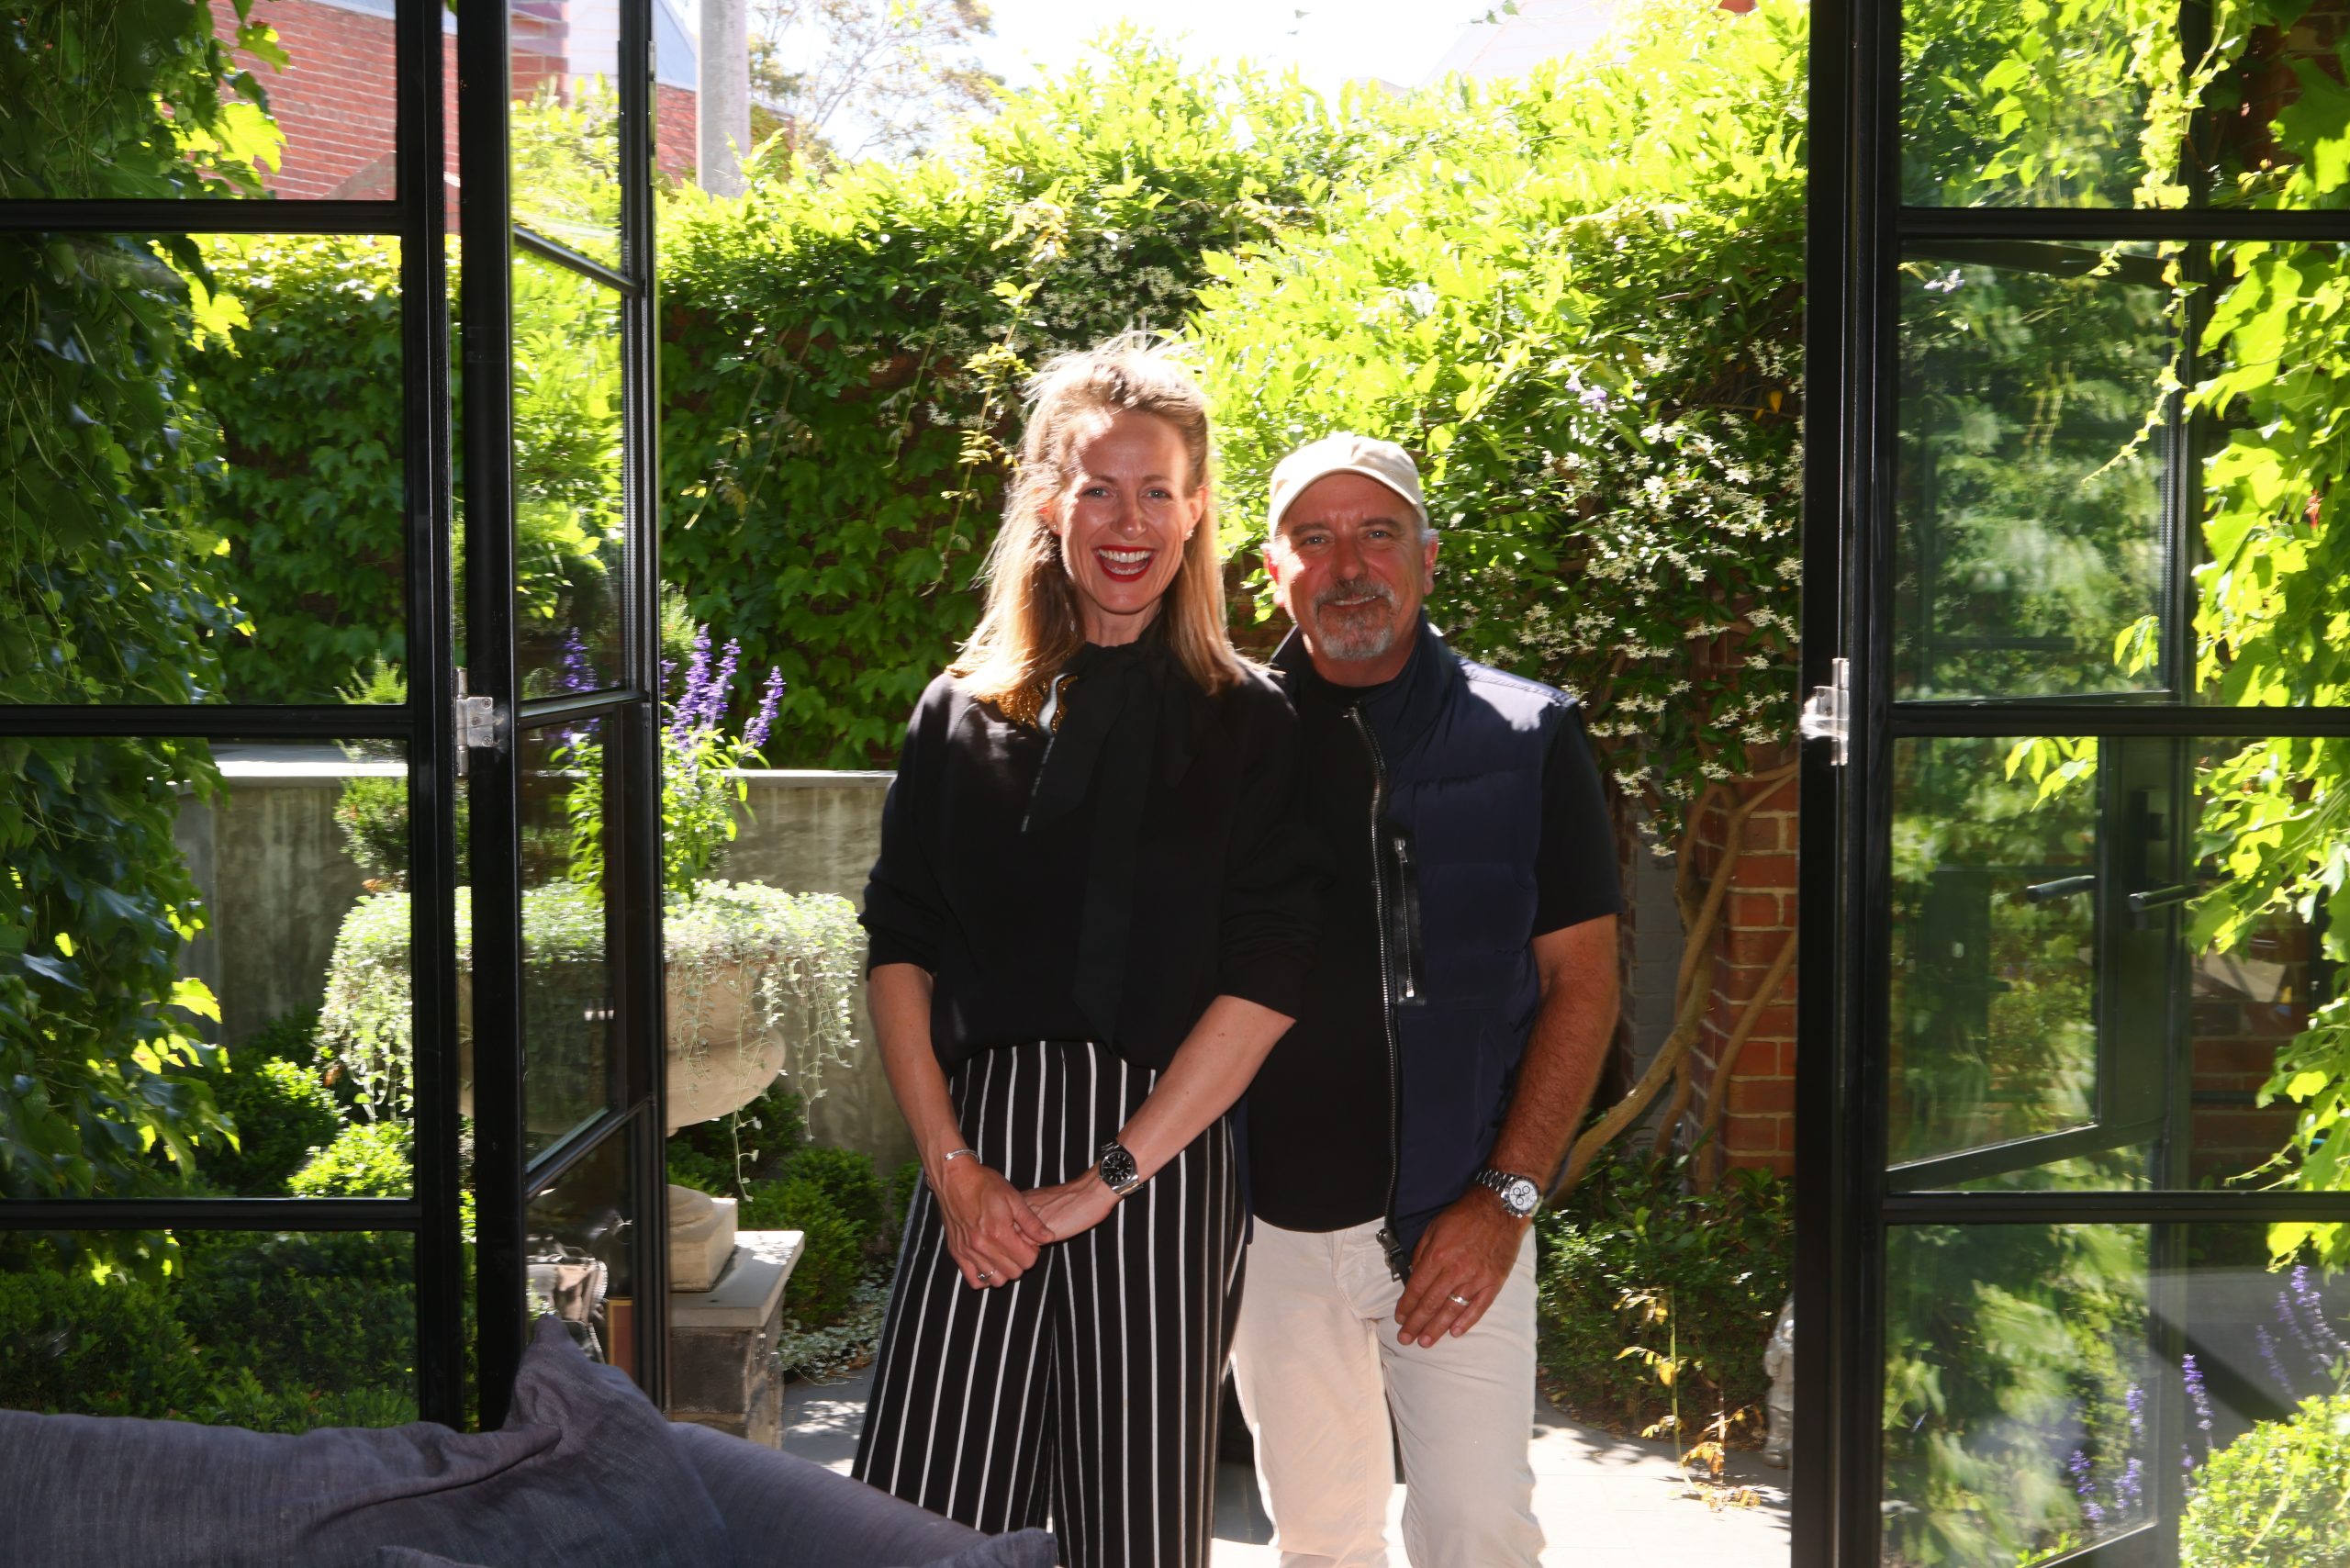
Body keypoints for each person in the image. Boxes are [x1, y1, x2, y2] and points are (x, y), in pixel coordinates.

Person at [851, 338, 1318, 1568]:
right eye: (1099, 489)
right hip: (980, 1157)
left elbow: (1268, 978)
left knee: (1134, 1533)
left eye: (1157, 491)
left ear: (1196, 511)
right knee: (920, 1525)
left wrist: (1107, 1177)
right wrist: (954, 1168)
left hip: (1164, 1165)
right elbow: (899, 948)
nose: (1129, 522)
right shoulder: (958, 713)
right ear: (1049, 503)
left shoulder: (1254, 724)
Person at [1230, 432, 1623, 1567]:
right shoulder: (1221, 741)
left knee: (1477, 1532)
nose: (1348, 565)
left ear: (1428, 558)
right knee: (1319, 1540)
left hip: (1458, 1215)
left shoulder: (1529, 736)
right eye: (1315, 538)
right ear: (1273, 568)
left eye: (1377, 533)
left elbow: (1583, 986)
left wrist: (1505, 1197)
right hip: (1268, 1230)